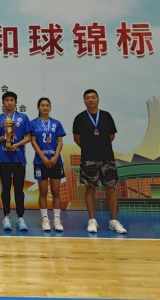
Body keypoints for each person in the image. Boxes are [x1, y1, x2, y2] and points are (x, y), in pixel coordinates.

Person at [73, 89, 127, 234]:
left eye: (93, 97)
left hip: (107, 158)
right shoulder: (80, 118)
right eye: (87, 98)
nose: (90, 100)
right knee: (90, 189)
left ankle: (113, 221)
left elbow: (111, 136)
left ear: (98, 99)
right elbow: (77, 138)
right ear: (84, 101)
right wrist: (90, 148)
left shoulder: (106, 116)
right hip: (88, 159)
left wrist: (100, 145)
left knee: (110, 188)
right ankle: (92, 220)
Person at [0, 91, 32, 231]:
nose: (9, 102)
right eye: (7, 100)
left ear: (16, 102)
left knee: (19, 189)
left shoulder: (23, 118)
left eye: (12, 100)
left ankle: (20, 218)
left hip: (19, 158)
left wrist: (17, 144)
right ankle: (6, 217)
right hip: (4, 159)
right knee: (5, 189)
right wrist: (4, 137)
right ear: (3, 103)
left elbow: (29, 137)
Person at [30, 98, 66, 232]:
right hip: (41, 162)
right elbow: (33, 141)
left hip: (56, 161)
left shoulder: (56, 123)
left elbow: (60, 141)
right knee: (43, 191)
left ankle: (57, 219)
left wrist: (56, 156)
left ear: (50, 107)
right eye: (42, 105)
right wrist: (43, 157)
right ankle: (45, 219)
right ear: (38, 107)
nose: (45, 107)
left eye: (47, 105)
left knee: (56, 191)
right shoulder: (33, 123)